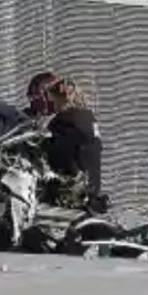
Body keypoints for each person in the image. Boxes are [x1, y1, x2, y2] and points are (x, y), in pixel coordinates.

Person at [43, 77, 107, 213]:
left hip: (71, 195)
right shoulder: (89, 118)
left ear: (61, 99)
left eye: (53, 100)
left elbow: (57, 157)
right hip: (93, 190)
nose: (53, 105)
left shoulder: (60, 122)